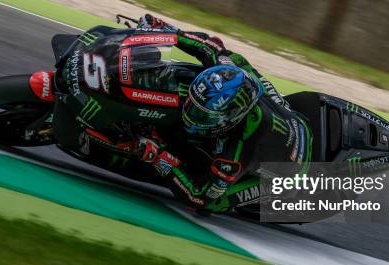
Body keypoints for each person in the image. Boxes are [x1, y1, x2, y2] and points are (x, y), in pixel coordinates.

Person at [129, 15, 313, 214]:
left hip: (290, 172)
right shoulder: (226, 70)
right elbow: (211, 46)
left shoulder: (236, 150)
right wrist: (165, 31)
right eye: (193, 107)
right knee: (235, 60)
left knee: (216, 203)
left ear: (230, 118)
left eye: (203, 116)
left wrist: (160, 158)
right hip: (288, 115)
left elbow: (199, 197)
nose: (190, 116)